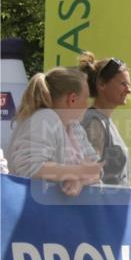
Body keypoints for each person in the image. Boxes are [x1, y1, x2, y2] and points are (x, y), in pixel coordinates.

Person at [7, 67, 102, 196]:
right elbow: (28, 168)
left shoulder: (75, 127)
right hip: (32, 211)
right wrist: (75, 173)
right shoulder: (44, 118)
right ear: (72, 99)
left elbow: (95, 169)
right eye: (85, 98)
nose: (87, 105)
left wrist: (79, 181)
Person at [78, 52, 131, 186]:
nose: (129, 90)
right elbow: (89, 175)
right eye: (123, 83)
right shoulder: (94, 122)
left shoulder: (105, 121)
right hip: (102, 205)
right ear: (102, 84)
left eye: (129, 84)